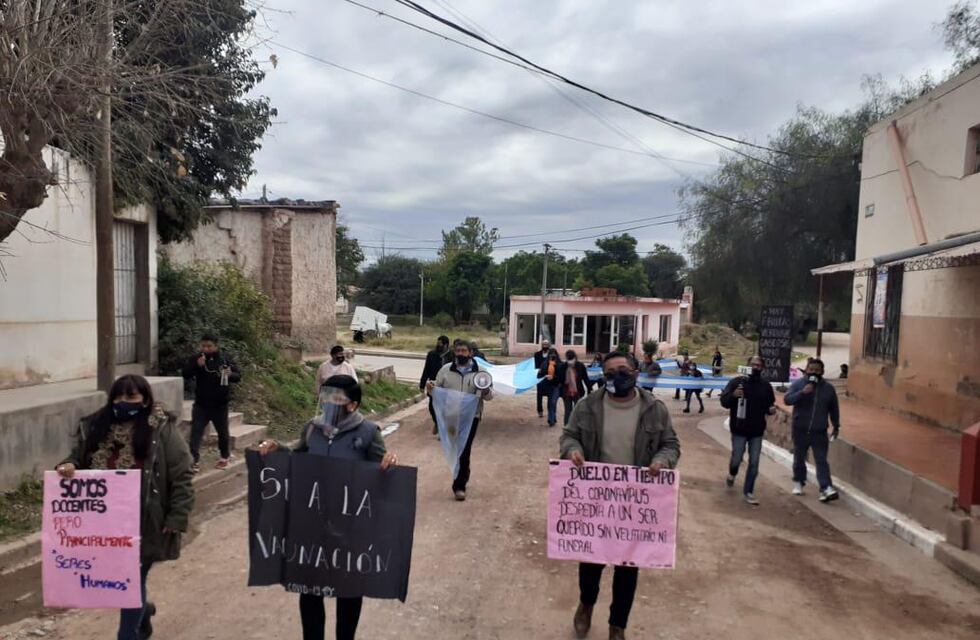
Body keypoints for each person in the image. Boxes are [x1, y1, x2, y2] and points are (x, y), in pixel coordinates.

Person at [255, 375, 398, 640]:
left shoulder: (368, 432)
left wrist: (388, 464)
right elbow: (298, 458)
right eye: (326, 395)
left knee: (348, 590)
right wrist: (278, 449)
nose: (329, 402)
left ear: (352, 405)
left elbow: (382, 473)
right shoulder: (312, 428)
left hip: (350, 529)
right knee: (309, 588)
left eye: (336, 397)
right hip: (313, 525)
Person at [57, 375, 194, 640]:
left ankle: (127, 634)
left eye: (131, 397)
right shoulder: (97, 424)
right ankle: (143, 613)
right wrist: (70, 464)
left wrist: (177, 516)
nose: (124, 403)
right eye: (118, 397)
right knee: (123, 579)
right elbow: (80, 455)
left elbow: (182, 474)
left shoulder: (161, 429)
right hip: (105, 523)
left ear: (145, 399)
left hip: (144, 520)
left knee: (132, 580)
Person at [560, 352, 680, 640]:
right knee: (590, 563)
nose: (617, 376)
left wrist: (662, 461)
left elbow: (671, 444)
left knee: (627, 571)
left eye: (623, 370)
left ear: (636, 372)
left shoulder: (655, 409)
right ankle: (586, 605)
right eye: (610, 371)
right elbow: (568, 435)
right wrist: (572, 451)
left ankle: (618, 625)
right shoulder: (587, 406)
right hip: (595, 501)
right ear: (603, 375)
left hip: (634, 506)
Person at [428, 341, 493, 501]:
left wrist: (484, 391)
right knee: (455, 447)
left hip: (472, 417)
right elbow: (437, 390)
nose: (460, 354)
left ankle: (459, 486)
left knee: (464, 449)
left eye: (464, 351)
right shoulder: (445, 370)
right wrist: (431, 389)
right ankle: (465, 471)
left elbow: (490, 396)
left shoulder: (481, 372)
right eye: (457, 351)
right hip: (451, 416)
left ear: (470, 353)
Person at [719, 356, 776, 505]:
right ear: (747, 366)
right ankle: (732, 473)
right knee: (737, 458)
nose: (755, 367)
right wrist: (733, 396)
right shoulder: (736, 383)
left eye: (758, 365)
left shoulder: (766, 386)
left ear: (762, 368)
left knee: (754, 461)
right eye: (753, 364)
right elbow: (724, 402)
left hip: (757, 430)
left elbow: (769, 405)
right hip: (739, 429)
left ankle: (748, 491)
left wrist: (771, 410)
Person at [784, 358, 841, 503]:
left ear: (822, 371)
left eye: (817, 370)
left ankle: (826, 488)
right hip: (800, 429)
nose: (814, 372)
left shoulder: (828, 388)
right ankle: (798, 481)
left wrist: (836, 425)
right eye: (811, 369)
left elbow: (834, 408)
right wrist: (802, 393)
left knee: (821, 460)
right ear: (806, 370)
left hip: (819, 431)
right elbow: (788, 400)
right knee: (799, 458)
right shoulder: (798, 384)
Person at [182, 334, 241, 472]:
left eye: (209, 346)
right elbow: (185, 374)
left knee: (222, 432)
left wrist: (230, 374)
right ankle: (193, 460)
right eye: (203, 346)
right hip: (201, 403)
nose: (206, 349)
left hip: (220, 404)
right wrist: (197, 366)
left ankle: (224, 456)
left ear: (216, 346)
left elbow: (238, 376)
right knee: (196, 431)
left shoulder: (225, 359)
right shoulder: (197, 359)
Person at [420, 335, 452, 435]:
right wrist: (422, 384)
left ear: (446, 345)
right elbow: (426, 370)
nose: (438, 346)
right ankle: (437, 422)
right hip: (433, 384)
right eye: (437, 343)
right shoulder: (431, 355)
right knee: (431, 406)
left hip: (447, 386)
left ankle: (443, 428)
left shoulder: (452, 356)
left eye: (440, 344)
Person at [558, 349, 592, 426]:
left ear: (575, 357)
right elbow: (560, 379)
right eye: (568, 358)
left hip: (578, 392)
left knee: (578, 410)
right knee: (568, 410)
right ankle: (567, 427)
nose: (570, 361)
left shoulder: (580, 366)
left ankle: (577, 427)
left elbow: (585, 378)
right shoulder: (563, 366)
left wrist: (590, 388)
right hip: (566, 392)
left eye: (571, 358)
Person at [537, 348, 562, 427]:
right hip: (547, 386)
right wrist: (544, 375)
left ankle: (552, 418)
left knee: (553, 402)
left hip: (556, 386)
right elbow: (539, 376)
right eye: (551, 354)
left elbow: (562, 377)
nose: (552, 356)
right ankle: (552, 419)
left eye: (554, 354)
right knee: (550, 403)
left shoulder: (560, 364)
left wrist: (553, 377)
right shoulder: (544, 364)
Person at [534, 339, 552, 419]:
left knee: (550, 395)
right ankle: (540, 411)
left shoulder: (552, 355)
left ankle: (549, 410)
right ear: (542, 345)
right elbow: (535, 366)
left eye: (546, 344)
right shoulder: (537, 354)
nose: (545, 346)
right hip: (540, 377)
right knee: (539, 395)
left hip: (549, 377)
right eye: (544, 344)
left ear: (549, 345)